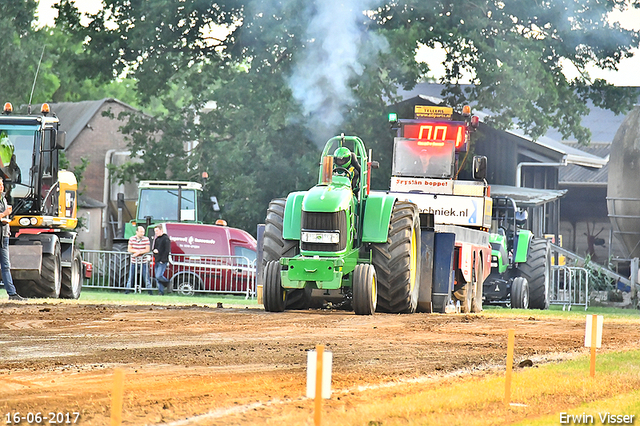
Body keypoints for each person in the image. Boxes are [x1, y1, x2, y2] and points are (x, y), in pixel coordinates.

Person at [0, 179, 25, 301]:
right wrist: (4, 214)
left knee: (5, 265)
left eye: (2, 185)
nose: (1, 187)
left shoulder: (3, 199)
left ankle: (12, 293)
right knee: (5, 265)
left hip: (4, 236)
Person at [125, 226, 151, 295]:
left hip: (144, 262)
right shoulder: (131, 239)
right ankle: (127, 291)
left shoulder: (146, 239)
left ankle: (150, 292)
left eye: (143, 232)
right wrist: (137, 251)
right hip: (133, 262)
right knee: (131, 277)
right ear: (137, 232)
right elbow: (129, 249)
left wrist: (138, 252)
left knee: (146, 278)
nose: (143, 233)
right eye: (141, 232)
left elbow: (147, 249)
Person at [152, 224, 171, 295]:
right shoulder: (157, 239)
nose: (156, 232)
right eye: (155, 231)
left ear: (161, 230)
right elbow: (154, 248)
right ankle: (161, 291)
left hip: (162, 261)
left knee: (159, 276)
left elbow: (166, 250)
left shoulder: (166, 239)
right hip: (157, 259)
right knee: (157, 278)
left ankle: (167, 283)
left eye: (157, 231)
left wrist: (163, 260)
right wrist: (154, 251)